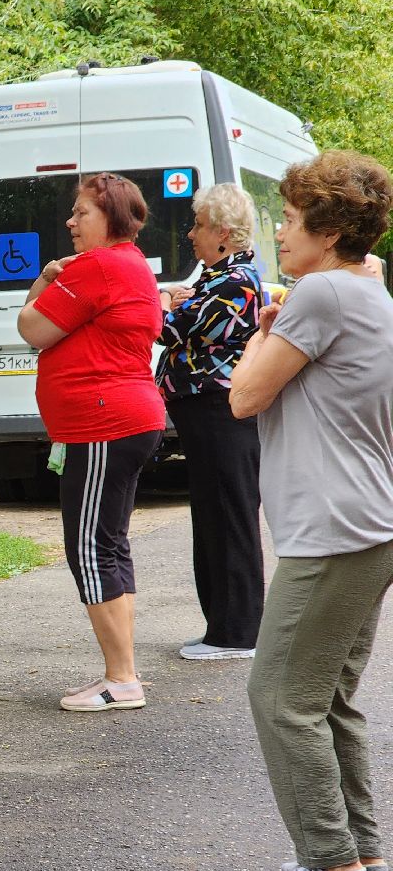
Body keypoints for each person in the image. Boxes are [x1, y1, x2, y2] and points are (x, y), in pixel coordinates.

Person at [228, 150, 393, 871]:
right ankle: (361, 852)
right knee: (326, 696)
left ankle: (328, 864)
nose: (279, 234)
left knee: (280, 695)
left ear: (328, 231)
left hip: (332, 529)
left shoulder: (320, 294)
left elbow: (243, 397)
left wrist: (264, 331)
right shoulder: (366, 289)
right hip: (366, 523)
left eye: (290, 221)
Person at [17, 173, 165, 713]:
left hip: (103, 423)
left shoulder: (99, 266)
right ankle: (124, 672)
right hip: (123, 419)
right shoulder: (130, 264)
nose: (70, 222)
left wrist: (44, 282)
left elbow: (32, 328)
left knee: (90, 548)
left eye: (81, 213)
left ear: (111, 219)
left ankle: (121, 678)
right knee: (109, 544)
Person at [156, 183, 264, 660]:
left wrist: (159, 301)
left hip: (222, 415)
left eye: (199, 225)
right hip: (205, 417)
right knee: (212, 517)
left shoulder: (235, 280)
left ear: (223, 231)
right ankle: (221, 625)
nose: (191, 234)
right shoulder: (216, 274)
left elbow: (171, 330)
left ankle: (237, 633)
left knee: (229, 517)